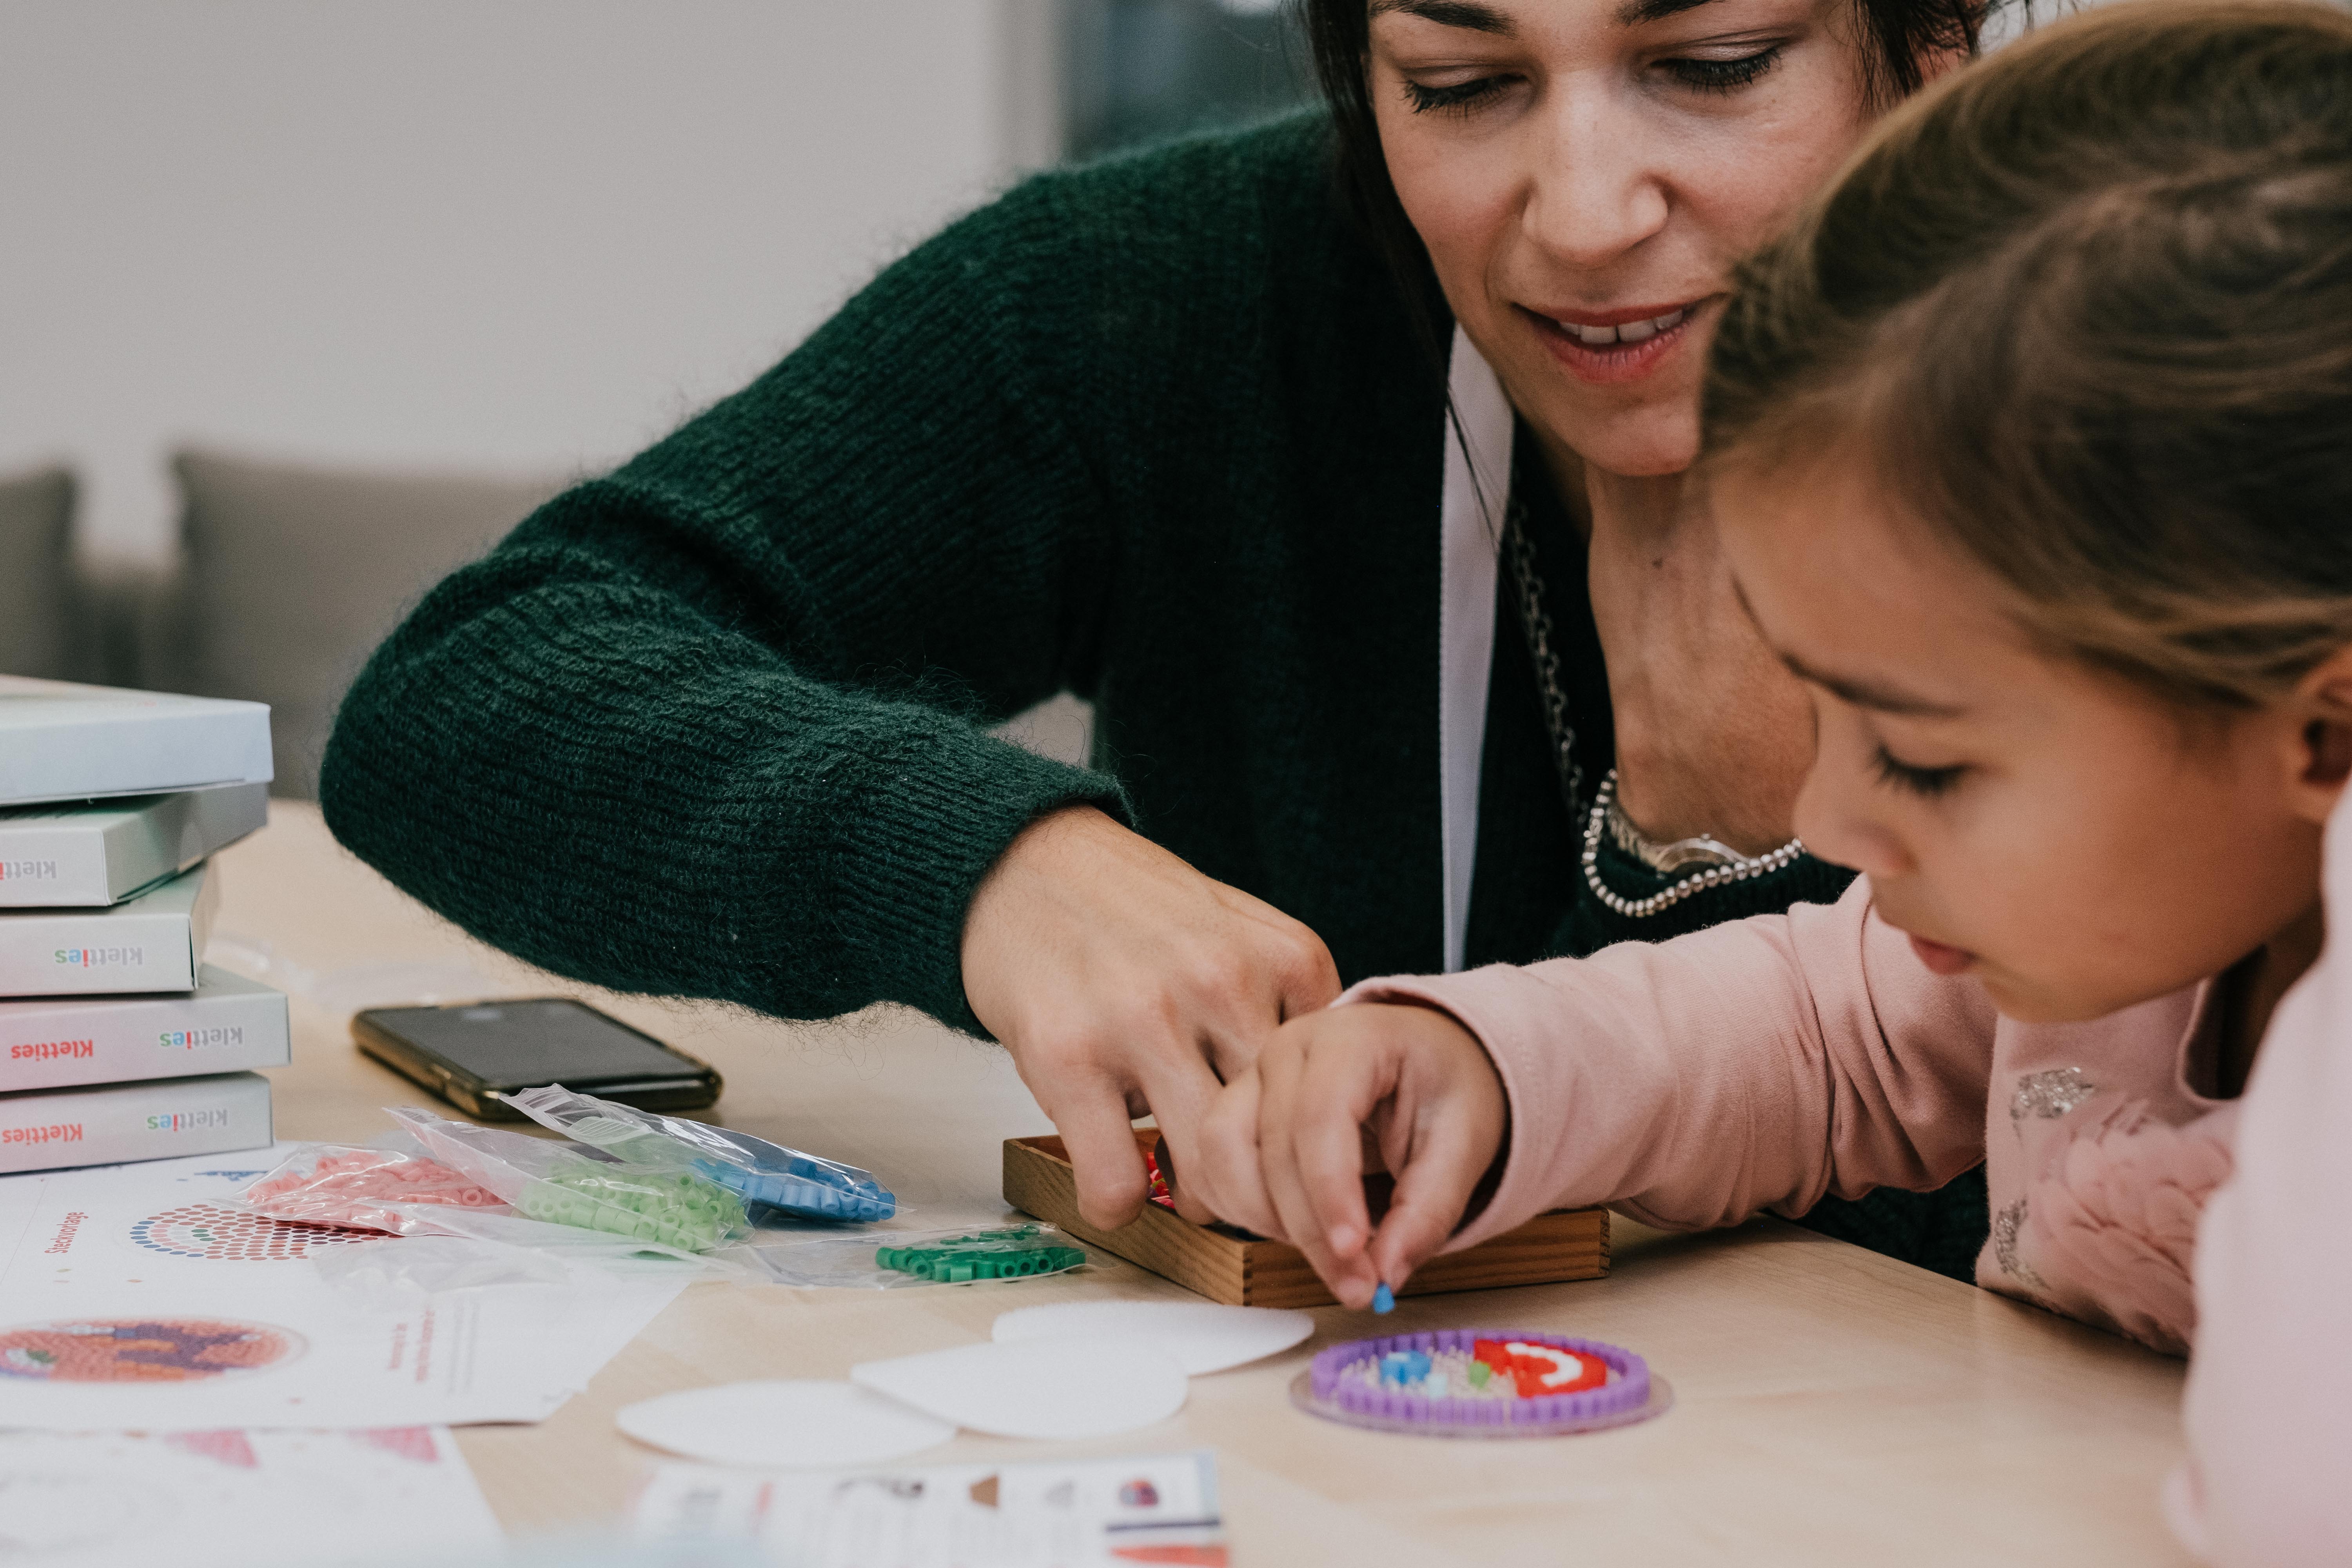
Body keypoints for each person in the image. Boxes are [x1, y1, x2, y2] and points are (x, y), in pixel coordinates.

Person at [321, 0, 1991, 1271]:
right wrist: (981, 861)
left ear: (1923, 46)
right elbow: (468, 690)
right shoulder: (1176, 297)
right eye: (1461, 82)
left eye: (1712, 63)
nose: (1584, 212)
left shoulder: (2155, 388)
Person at [1194, 4, 2352, 1557]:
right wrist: (1484, 1059)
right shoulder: (2104, 931)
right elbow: (1819, 1028)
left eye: (1927, 759)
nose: (1826, 826)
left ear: (2326, 736)